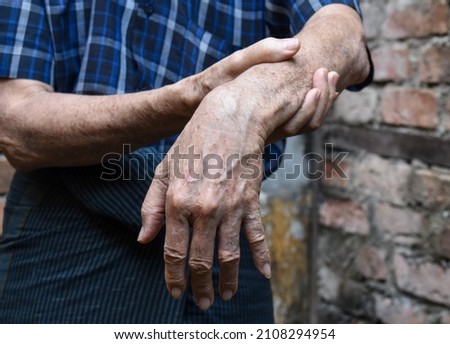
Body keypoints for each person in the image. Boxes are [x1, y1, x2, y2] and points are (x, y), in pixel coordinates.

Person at [0, 0, 372, 323]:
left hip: (226, 232)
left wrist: (242, 100)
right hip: (70, 234)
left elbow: (344, 33)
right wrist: (196, 95)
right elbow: (15, 124)